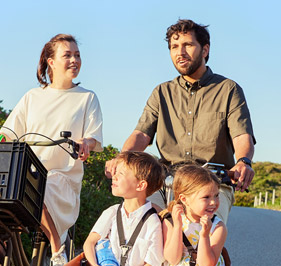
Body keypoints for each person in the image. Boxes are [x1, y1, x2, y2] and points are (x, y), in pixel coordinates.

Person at [107, 19, 256, 221]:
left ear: (205, 50)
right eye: (174, 47)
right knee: (143, 222)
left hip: (212, 181)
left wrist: (243, 162)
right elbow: (141, 133)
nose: (180, 52)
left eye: (188, 45)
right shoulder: (161, 92)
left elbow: (241, 135)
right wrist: (122, 158)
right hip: (166, 180)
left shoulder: (228, 89)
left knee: (203, 233)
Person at [0, 34, 103, 266]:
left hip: (62, 177)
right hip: (27, 171)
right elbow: (9, 134)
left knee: (40, 187)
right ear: (51, 61)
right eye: (67, 55)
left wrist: (86, 143)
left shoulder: (87, 97)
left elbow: (94, 138)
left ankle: (58, 250)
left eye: (77, 55)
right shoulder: (32, 96)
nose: (74, 60)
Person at [73, 152, 165, 266]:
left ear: (141, 185)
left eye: (121, 174)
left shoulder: (152, 220)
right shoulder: (112, 212)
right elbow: (89, 242)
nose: (114, 176)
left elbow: (153, 263)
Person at [148, 165, 228, 266]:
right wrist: (178, 226)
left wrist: (204, 235)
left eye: (216, 196)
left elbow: (205, 265)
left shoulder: (217, 227)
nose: (213, 202)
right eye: (206, 197)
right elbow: (172, 259)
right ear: (184, 199)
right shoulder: (170, 220)